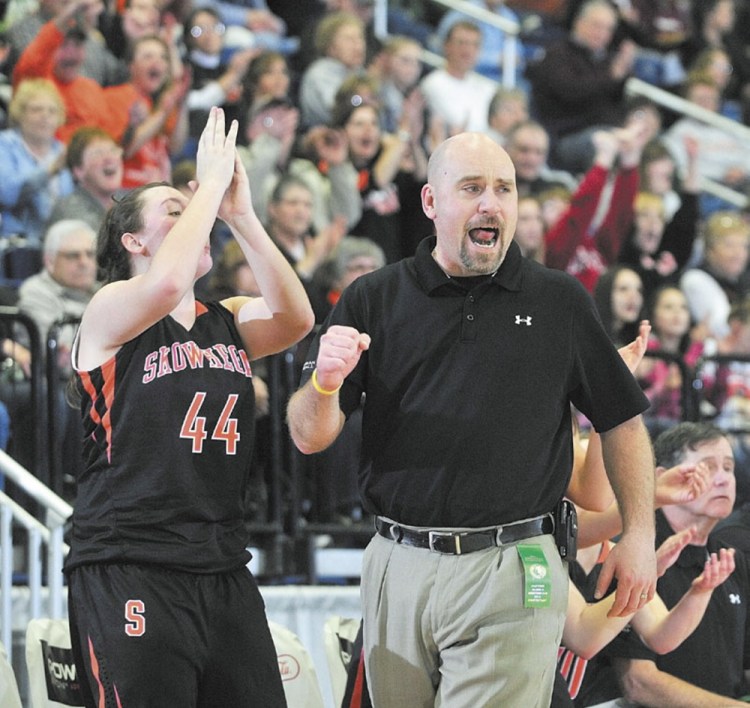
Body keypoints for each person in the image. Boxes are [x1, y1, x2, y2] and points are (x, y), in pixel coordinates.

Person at [286, 131, 657, 707]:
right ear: (432, 203)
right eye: (473, 188)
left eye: (504, 189)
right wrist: (323, 383)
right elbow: (309, 436)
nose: (491, 204)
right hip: (396, 559)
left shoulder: (559, 300)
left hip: (515, 562)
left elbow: (623, 422)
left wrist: (639, 532)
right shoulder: (372, 298)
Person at [64, 107, 314, 706]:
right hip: (130, 561)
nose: (192, 218)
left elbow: (296, 318)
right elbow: (164, 286)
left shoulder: (224, 318)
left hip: (221, 564)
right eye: (172, 212)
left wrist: (242, 216)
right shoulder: (110, 310)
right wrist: (204, 185)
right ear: (133, 241)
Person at [579, 422, 750, 706]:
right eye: (708, 468)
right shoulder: (631, 553)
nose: (723, 479)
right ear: (662, 477)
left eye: (729, 468)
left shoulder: (730, 558)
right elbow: (639, 682)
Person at [525, 0, 637, 173]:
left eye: (608, 29)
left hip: (604, 131)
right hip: (564, 138)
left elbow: (617, 103)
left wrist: (622, 77)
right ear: (579, 22)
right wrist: (611, 77)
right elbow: (571, 93)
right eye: (597, 25)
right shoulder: (558, 53)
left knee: (635, 142)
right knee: (604, 141)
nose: (602, 34)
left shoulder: (605, 62)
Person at [0, 78, 74, 246]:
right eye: (36, 109)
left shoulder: (62, 150)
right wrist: (49, 171)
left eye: (52, 111)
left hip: (58, 242)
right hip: (15, 243)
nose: (45, 116)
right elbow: (7, 194)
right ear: (20, 114)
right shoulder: (4, 145)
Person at [418, 20, 497, 135]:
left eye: (475, 45)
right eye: (462, 43)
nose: (468, 50)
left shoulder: (488, 87)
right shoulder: (433, 83)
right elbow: (457, 122)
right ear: (447, 46)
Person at [46, 126, 124, 234]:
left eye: (113, 150)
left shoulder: (131, 202)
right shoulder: (69, 211)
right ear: (79, 171)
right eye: (98, 153)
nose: (110, 158)